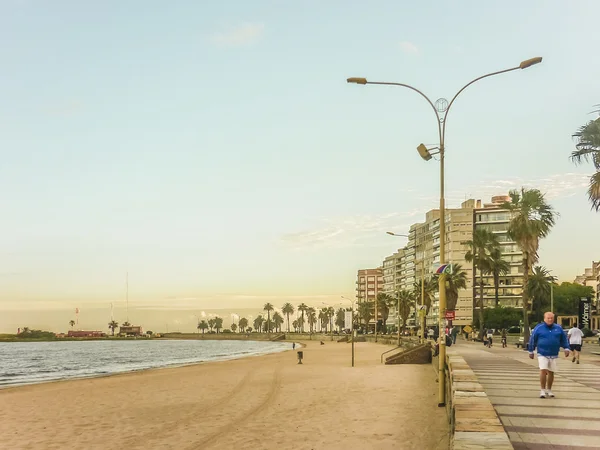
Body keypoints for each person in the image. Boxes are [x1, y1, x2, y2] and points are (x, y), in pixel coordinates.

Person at [528, 311, 570, 398]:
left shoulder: (558, 328)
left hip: (554, 353)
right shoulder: (539, 328)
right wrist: (531, 350)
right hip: (542, 353)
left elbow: (564, 339)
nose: (550, 320)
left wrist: (566, 348)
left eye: (551, 318)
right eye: (548, 318)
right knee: (543, 370)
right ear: (544, 319)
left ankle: (549, 390)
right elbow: (533, 339)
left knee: (551, 372)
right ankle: (542, 390)